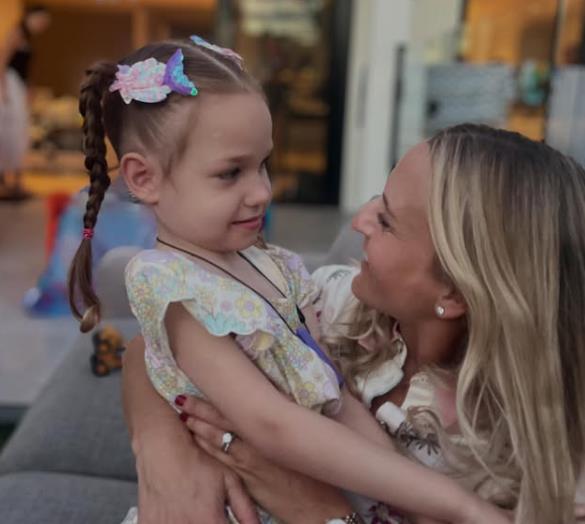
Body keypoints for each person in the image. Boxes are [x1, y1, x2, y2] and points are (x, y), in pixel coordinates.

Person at [67, 38, 504, 524]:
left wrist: (412, 502)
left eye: (262, 166)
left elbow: (335, 398)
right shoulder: (172, 285)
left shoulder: (275, 267)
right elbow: (273, 425)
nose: (261, 192)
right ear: (143, 178)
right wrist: (458, 503)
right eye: (230, 173)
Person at [122, 124, 585, 524]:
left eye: (386, 220)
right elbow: (160, 340)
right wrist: (160, 448)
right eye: (376, 199)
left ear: (454, 292)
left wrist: (319, 511)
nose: (359, 221)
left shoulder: (552, 459)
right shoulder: (336, 303)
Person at [0, 5, 51, 199]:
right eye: (41, 20)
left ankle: (15, 182)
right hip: (9, 84)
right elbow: (2, 61)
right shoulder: (16, 32)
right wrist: (3, 90)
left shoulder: (28, 38)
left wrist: (29, 88)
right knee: (10, 131)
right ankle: (8, 182)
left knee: (19, 132)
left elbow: (25, 69)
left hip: (18, 85)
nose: (42, 25)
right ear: (30, 16)